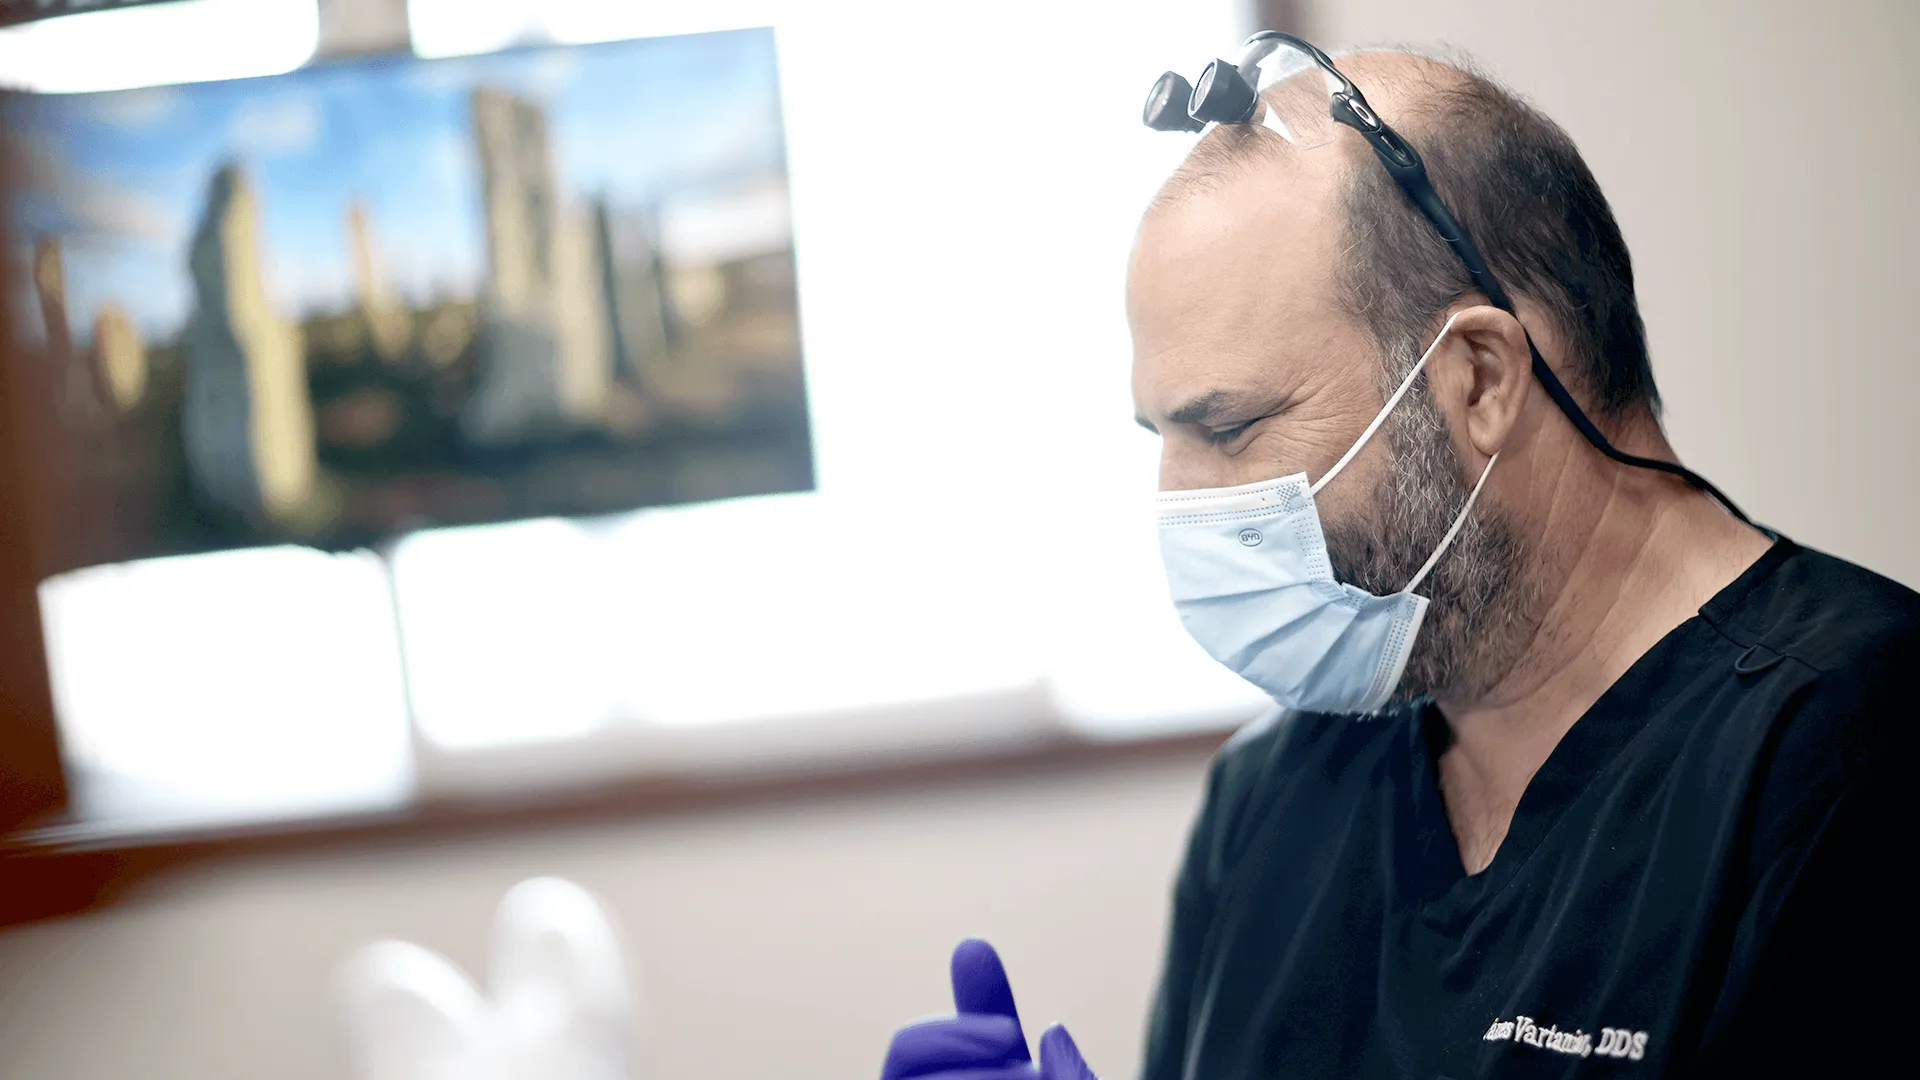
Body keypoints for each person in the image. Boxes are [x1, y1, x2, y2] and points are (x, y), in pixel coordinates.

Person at [876, 39, 1918, 1080]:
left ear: (1477, 381)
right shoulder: (1272, 802)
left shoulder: (1844, 756)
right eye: (1162, 439)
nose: (1180, 507)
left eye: (1232, 430)